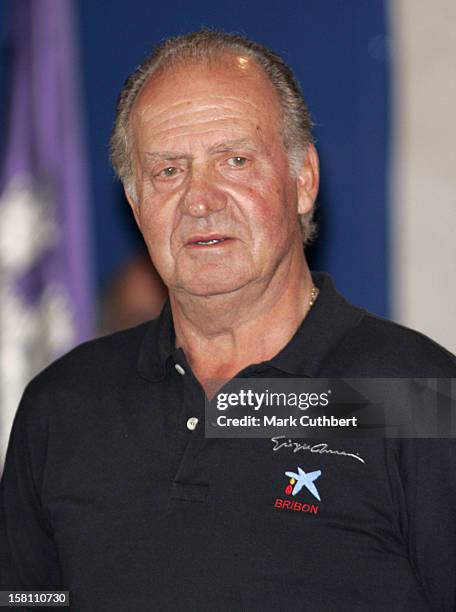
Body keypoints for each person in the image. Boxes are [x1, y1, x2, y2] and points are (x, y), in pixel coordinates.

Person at [1, 29, 455, 611]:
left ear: (303, 181)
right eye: (168, 170)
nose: (200, 199)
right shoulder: (61, 407)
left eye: (235, 160)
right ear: (136, 202)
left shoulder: (416, 399)